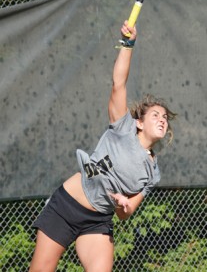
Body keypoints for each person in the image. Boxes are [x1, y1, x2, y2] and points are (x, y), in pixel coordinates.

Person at [29, 20, 177, 272]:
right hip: (66, 206)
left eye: (164, 118)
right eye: (155, 115)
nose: (162, 119)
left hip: (97, 220)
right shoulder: (123, 127)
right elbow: (118, 83)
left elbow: (125, 213)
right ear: (139, 123)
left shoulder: (153, 172)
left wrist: (123, 205)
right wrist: (128, 43)